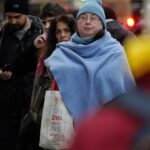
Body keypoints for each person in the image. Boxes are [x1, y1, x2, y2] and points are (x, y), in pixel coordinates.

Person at [44, 0, 136, 127]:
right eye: (83, 17)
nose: (87, 22)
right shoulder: (63, 51)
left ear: (102, 24)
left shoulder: (115, 51)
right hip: (68, 127)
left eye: (93, 18)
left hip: (108, 125)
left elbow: (126, 91)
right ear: (77, 23)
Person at [16, 14, 76, 150]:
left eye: (67, 30)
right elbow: (19, 68)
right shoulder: (47, 58)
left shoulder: (81, 57)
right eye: (58, 31)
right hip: (47, 117)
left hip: (73, 118)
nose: (62, 35)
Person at [0, 0, 43, 149]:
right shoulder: (2, 35)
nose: (12, 21)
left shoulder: (41, 33)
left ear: (26, 13)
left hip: (33, 106)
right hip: (7, 108)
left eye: (17, 16)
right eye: (9, 17)